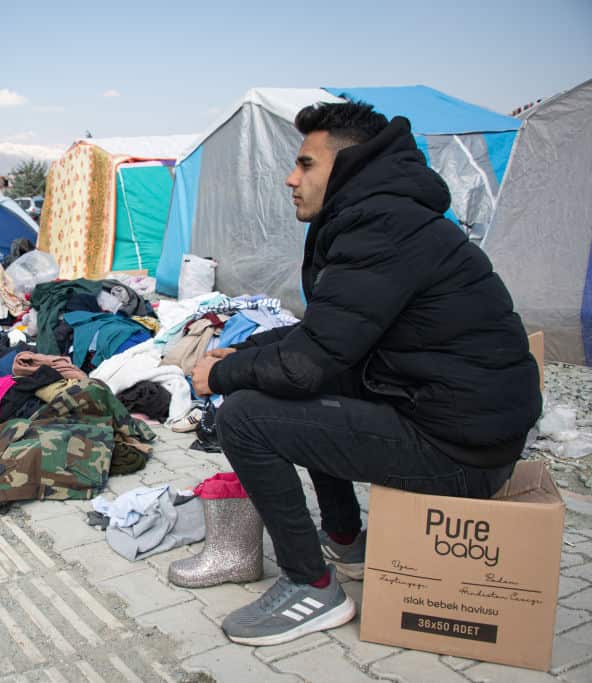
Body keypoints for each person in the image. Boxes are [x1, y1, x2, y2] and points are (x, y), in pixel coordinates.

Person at [189, 101, 542, 647]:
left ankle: (311, 586)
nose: (291, 177)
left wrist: (225, 375)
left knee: (246, 417)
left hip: (462, 455)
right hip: (451, 423)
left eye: (305, 163)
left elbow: (308, 362)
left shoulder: (383, 227)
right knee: (297, 386)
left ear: (348, 166)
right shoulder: (384, 218)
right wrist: (240, 353)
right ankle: (346, 539)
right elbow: (328, 334)